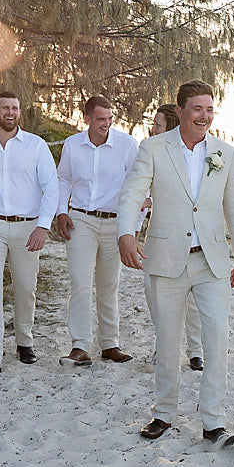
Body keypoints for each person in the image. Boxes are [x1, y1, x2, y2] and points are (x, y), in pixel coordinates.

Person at [117, 80, 234, 448]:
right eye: (197, 109)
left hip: (211, 262)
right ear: (180, 111)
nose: (204, 116)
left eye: (209, 109)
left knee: (217, 340)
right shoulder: (153, 148)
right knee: (168, 340)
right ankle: (163, 413)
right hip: (165, 260)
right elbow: (132, 193)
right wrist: (126, 233)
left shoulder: (225, 153)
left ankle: (214, 422)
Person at [0, 91, 59, 377]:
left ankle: (24, 341)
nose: (11, 112)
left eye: (15, 108)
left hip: (27, 227)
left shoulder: (36, 146)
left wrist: (42, 225)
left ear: (20, 112)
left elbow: (51, 187)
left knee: (26, 288)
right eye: (5, 107)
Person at [55, 94, 138, 366]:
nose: (106, 124)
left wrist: (132, 229)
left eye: (110, 118)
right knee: (80, 282)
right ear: (87, 119)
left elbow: (137, 188)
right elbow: (63, 179)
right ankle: (79, 346)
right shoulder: (72, 145)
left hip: (115, 222)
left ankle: (110, 344)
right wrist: (61, 211)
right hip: (82, 220)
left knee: (108, 284)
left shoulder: (127, 145)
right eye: (100, 119)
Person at [141, 103, 203, 370]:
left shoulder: (194, 156)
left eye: (157, 124)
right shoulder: (150, 152)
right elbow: (138, 194)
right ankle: (163, 346)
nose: (153, 129)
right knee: (156, 297)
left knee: (193, 303)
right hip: (159, 240)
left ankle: (195, 350)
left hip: (192, 241)